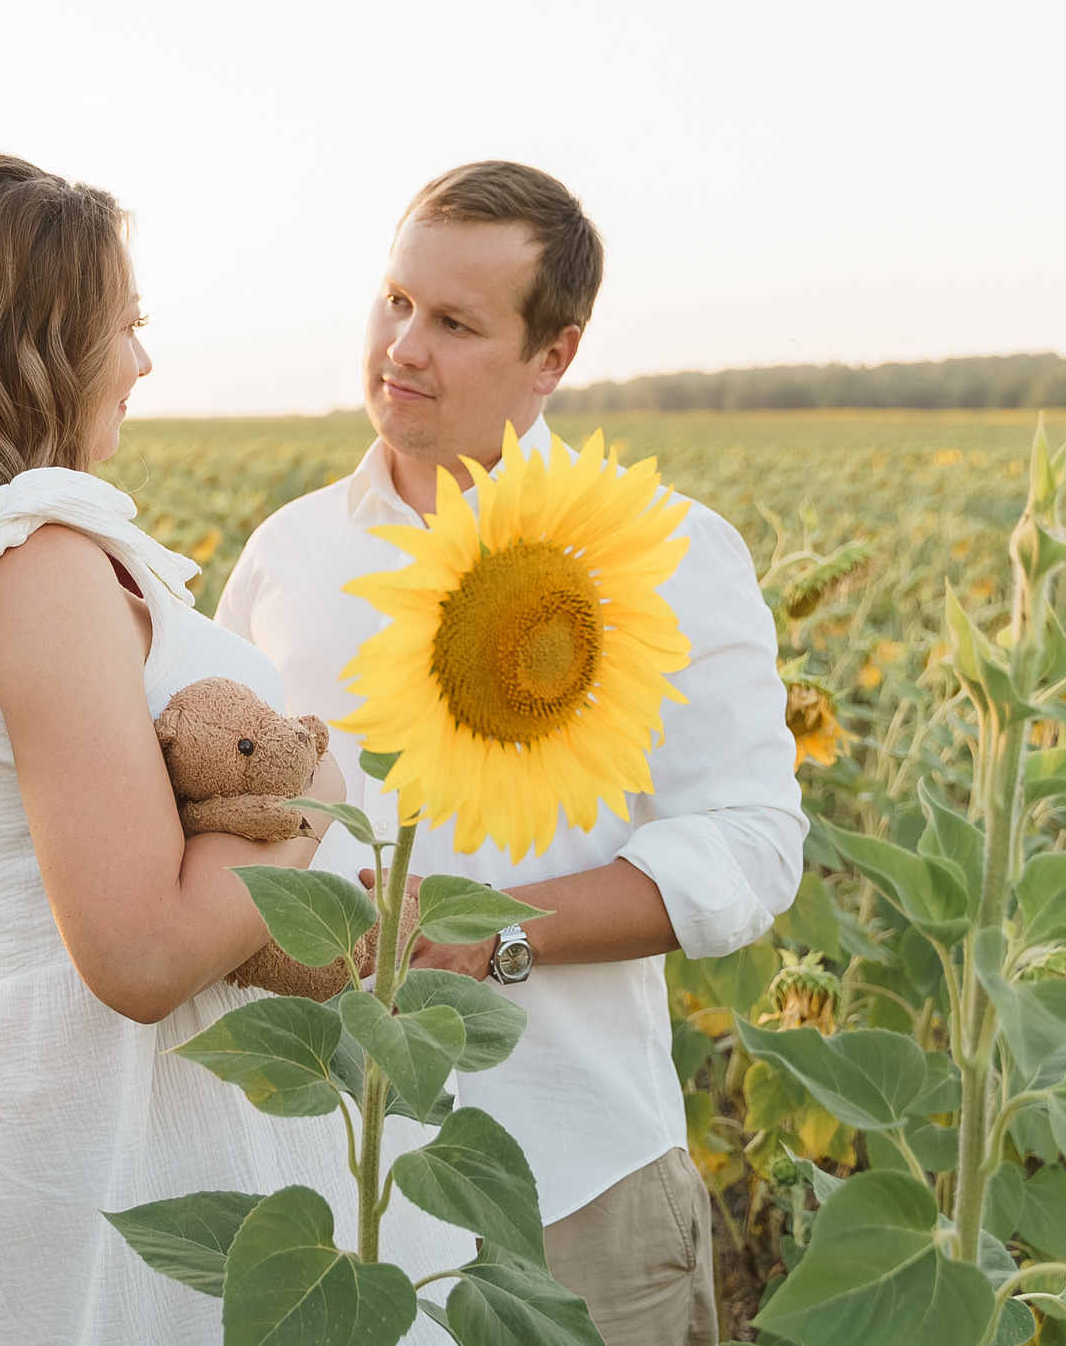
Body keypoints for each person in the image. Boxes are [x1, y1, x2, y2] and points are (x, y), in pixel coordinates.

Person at [0, 155, 467, 1345]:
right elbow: (143, 950)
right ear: (46, 345)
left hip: (61, 1095)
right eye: (128, 327)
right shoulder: (36, 566)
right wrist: (310, 790)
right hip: (147, 1121)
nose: (144, 363)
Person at [216, 160, 804, 1346]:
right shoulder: (291, 557)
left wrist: (496, 931)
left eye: (454, 322)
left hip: (571, 1177)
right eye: (394, 301)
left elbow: (749, 846)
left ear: (554, 355)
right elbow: (230, 809)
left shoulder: (666, 556)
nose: (403, 346)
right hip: (333, 1189)